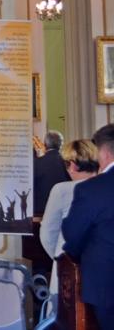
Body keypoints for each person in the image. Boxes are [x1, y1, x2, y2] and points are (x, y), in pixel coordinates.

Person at [63, 124, 114, 326]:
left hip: (106, 282)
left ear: (104, 152)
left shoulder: (92, 189)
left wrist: (76, 254)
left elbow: (73, 234)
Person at [40, 139, 98, 303]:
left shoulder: (61, 190)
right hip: (101, 271)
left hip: (67, 269)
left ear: (72, 165)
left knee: (64, 313)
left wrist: (61, 260)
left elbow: (47, 233)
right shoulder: (107, 188)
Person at [34, 130, 70, 215]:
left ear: (45, 144)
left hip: (40, 210)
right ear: (61, 145)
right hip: (63, 209)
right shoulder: (68, 163)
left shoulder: (36, 163)